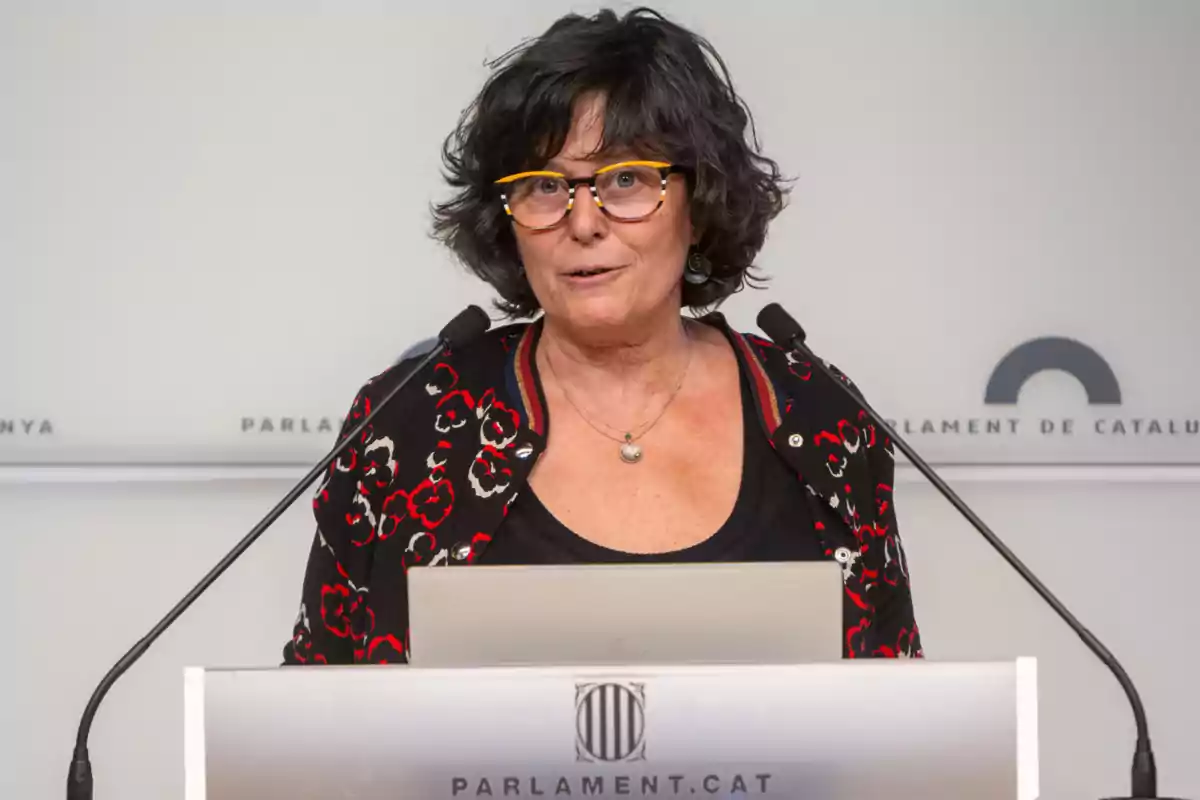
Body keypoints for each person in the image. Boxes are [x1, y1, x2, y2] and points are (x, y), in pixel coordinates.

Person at [283, 6, 921, 666]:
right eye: (542, 185)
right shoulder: (410, 422)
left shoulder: (820, 416)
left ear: (698, 205)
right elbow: (311, 717)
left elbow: (900, 712)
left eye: (626, 179)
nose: (583, 221)